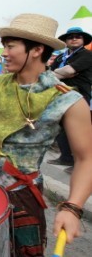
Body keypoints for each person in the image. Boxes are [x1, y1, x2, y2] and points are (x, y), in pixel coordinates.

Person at [0, 14, 92, 256]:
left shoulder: (67, 99)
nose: (4, 53)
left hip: (21, 193)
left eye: (11, 46)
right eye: (4, 46)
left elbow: (86, 159)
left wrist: (72, 207)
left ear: (37, 49)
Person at [48, 27, 92, 174]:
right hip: (58, 97)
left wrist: (63, 73)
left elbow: (68, 71)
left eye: (78, 37)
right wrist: (62, 73)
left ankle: (81, 164)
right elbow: (50, 73)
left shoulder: (87, 55)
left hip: (78, 97)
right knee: (60, 129)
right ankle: (65, 157)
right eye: (70, 37)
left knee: (78, 132)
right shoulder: (61, 57)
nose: (74, 39)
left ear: (83, 40)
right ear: (65, 41)